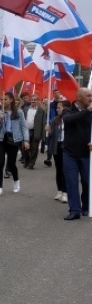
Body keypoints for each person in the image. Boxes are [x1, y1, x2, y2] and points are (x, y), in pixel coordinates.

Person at [61, 88, 92, 220]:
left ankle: (86, 206)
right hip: (70, 154)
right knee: (72, 182)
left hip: (87, 153)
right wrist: (87, 111)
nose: (91, 98)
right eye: (88, 96)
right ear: (79, 97)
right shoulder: (68, 110)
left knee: (87, 182)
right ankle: (75, 210)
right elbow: (68, 120)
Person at [0, 92, 29, 196]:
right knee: (0, 163)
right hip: (1, 139)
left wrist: (26, 140)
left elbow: (24, 126)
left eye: (5, 99)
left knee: (11, 164)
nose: (3, 101)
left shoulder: (19, 112)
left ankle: (16, 180)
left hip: (13, 139)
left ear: (11, 100)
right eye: (2, 99)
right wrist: (0, 120)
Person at [45, 100, 71, 204]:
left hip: (66, 146)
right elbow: (51, 136)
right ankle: (59, 191)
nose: (57, 109)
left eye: (59, 107)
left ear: (65, 108)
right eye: (57, 107)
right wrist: (48, 130)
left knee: (65, 170)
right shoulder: (55, 120)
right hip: (57, 146)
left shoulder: (70, 119)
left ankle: (65, 192)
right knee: (59, 169)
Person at [23, 94, 47, 170]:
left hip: (36, 132)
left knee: (34, 148)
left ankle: (31, 164)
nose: (33, 101)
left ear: (38, 101)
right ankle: (27, 161)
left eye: (35, 100)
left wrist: (43, 135)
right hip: (27, 131)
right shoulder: (26, 109)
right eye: (32, 100)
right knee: (25, 148)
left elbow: (43, 123)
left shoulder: (41, 111)